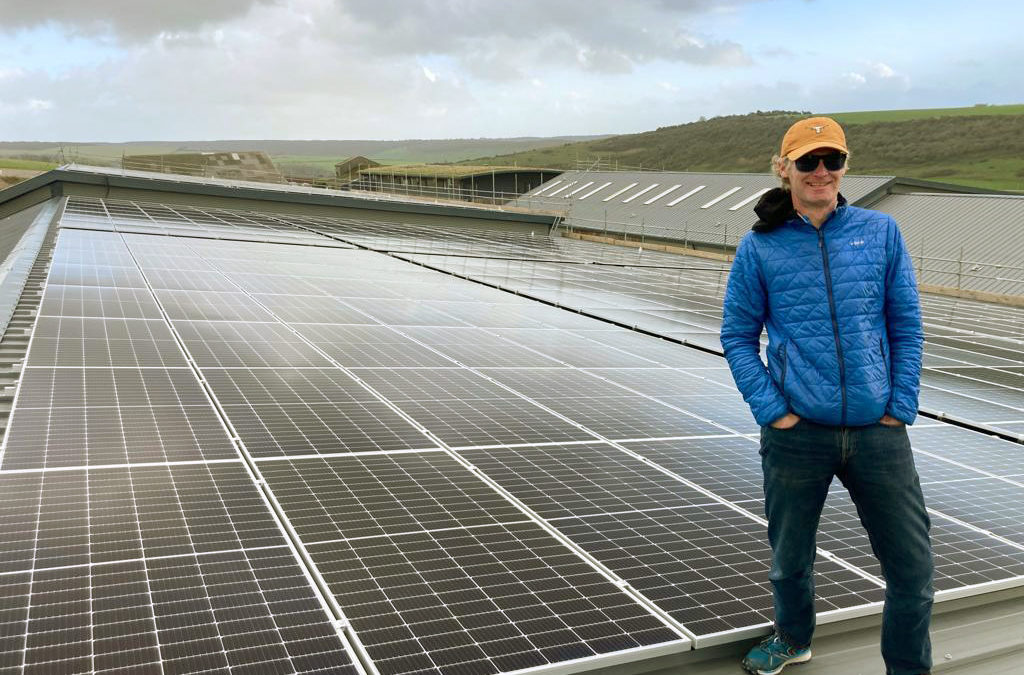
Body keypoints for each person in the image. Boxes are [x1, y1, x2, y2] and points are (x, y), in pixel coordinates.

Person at [720, 116, 933, 675]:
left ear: (845, 166)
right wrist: (774, 411)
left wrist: (899, 406)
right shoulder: (759, 247)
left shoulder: (880, 232)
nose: (821, 172)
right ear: (783, 167)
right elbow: (738, 336)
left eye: (831, 160)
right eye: (808, 161)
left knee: (911, 568)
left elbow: (906, 325)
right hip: (798, 433)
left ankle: (908, 669)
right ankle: (794, 638)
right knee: (790, 558)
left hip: (878, 432)